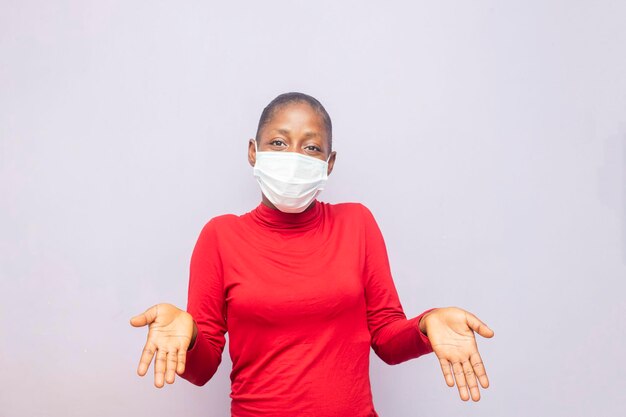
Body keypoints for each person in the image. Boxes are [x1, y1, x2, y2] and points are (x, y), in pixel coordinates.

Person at [130, 92, 494, 417]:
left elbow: (386, 338)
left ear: (329, 162)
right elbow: (203, 368)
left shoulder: (357, 223)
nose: (294, 156)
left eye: (311, 148)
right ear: (253, 153)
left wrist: (426, 325)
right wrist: (190, 334)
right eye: (277, 142)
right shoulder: (221, 236)